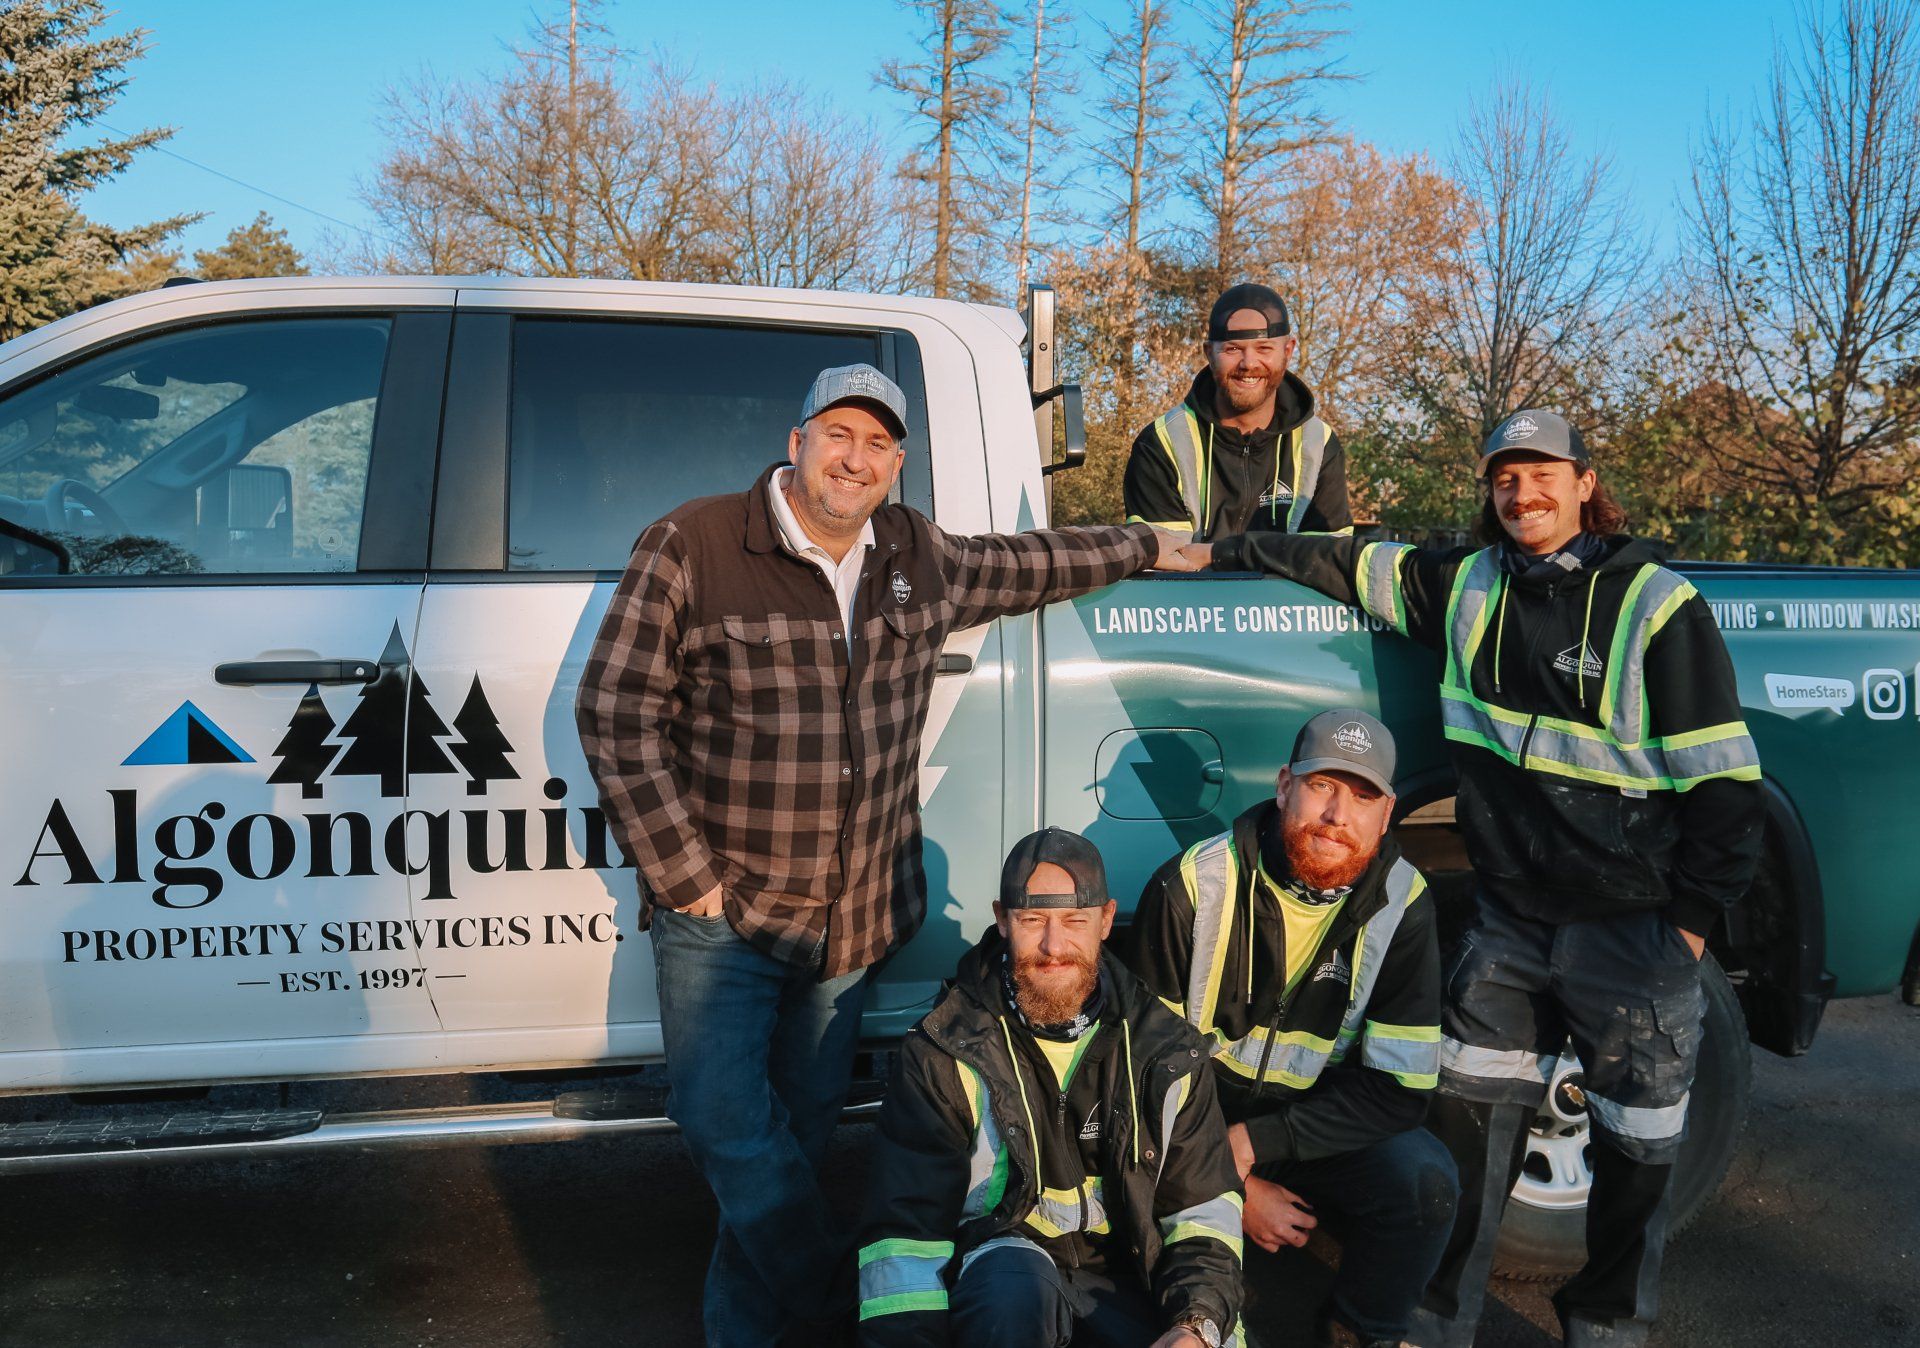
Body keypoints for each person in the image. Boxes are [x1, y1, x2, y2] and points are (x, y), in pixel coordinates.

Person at [576, 364, 1194, 1345]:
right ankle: (837, 1293)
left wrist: (1144, 546)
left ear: (897, 463)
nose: (855, 458)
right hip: (724, 911)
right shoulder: (692, 543)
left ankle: (749, 1333)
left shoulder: (913, 554)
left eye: (877, 444)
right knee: (722, 1121)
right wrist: (684, 875)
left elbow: (1031, 562)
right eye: (838, 435)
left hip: (852, 918)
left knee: (800, 1133)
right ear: (797, 441)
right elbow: (614, 710)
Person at [1181, 411, 1764, 1347]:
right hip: (1510, 925)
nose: (1522, 494)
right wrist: (1218, 546)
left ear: (1584, 482)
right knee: (1463, 1127)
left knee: (1637, 1152)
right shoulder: (1465, 586)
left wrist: (1687, 930)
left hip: (1635, 930)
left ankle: (1608, 1330)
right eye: (1504, 477)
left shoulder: (1655, 605)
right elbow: (1348, 564)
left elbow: (1728, 785)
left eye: (1542, 475)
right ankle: (1427, 1319)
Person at [1128, 709, 1458, 1348]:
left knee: (1425, 1183)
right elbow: (1138, 1084)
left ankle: (1363, 1330)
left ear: (1387, 816)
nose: (1339, 816)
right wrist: (1234, 1180)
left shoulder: (1403, 902)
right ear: (1285, 787)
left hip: (1301, 1127)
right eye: (1323, 787)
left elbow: (1401, 1089)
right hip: (1189, 1128)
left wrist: (1260, 1141)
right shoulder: (1193, 886)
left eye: (1363, 797)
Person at [856, 828, 1245, 1348]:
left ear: (1106, 920)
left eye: (1074, 920)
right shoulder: (941, 1051)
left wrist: (1195, 1326)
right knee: (1010, 1296)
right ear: (1002, 918)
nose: (1053, 946)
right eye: (1033, 919)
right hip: (1006, 1266)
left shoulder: (1168, 1052)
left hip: (1132, 1271)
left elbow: (1203, 1217)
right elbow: (903, 1237)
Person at [1123, 282, 1352, 541]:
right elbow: (1165, 564)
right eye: (1232, 349)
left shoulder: (1319, 445)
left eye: (1264, 348)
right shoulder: (1160, 443)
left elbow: (1328, 562)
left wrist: (1225, 554)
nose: (1249, 363)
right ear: (1209, 353)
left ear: (1288, 351)